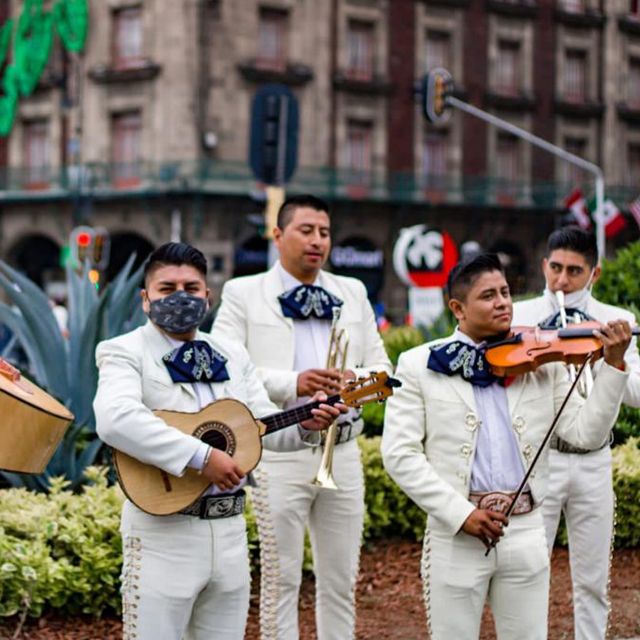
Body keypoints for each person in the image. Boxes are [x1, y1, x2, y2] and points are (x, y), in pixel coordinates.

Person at [94, 242, 345, 640]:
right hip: (163, 534)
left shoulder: (231, 352)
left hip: (230, 533)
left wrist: (307, 426)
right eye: (166, 288)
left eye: (192, 288)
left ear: (208, 296)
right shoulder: (124, 351)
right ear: (145, 299)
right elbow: (116, 418)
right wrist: (200, 455)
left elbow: (259, 429)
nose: (181, 296)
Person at [381, 252, 631, 640]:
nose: (502, 302)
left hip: (527, 531)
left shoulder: (543, 363)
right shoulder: (418, 365)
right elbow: (400, 455)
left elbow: (585, 434)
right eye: (488, 296)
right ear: (457, 308)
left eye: (505, 292)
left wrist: (613, 367)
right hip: (457, 534)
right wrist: (461, 513)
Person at [213, 194, 392, 640]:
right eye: (306, 230)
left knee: (341, 580)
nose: (317, 241)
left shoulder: (352, 292)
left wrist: (353, 385)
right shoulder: (242, 292)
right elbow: (227, 366)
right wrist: (297, 382)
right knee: (281, 579)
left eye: (325, 233)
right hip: (279, 452)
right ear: (277, 236)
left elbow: (386, 376)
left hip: (343, 452)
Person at [512, 227, 640, 640]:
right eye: (555, 268)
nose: (562, 281)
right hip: (540, 457)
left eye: (574, 271)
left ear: (595, 273)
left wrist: (612, 358)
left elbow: (636, 395)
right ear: (543, 265)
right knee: (529, 571)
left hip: (594, 460)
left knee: (592, 577)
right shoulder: (520, 317)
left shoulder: (619, 321)